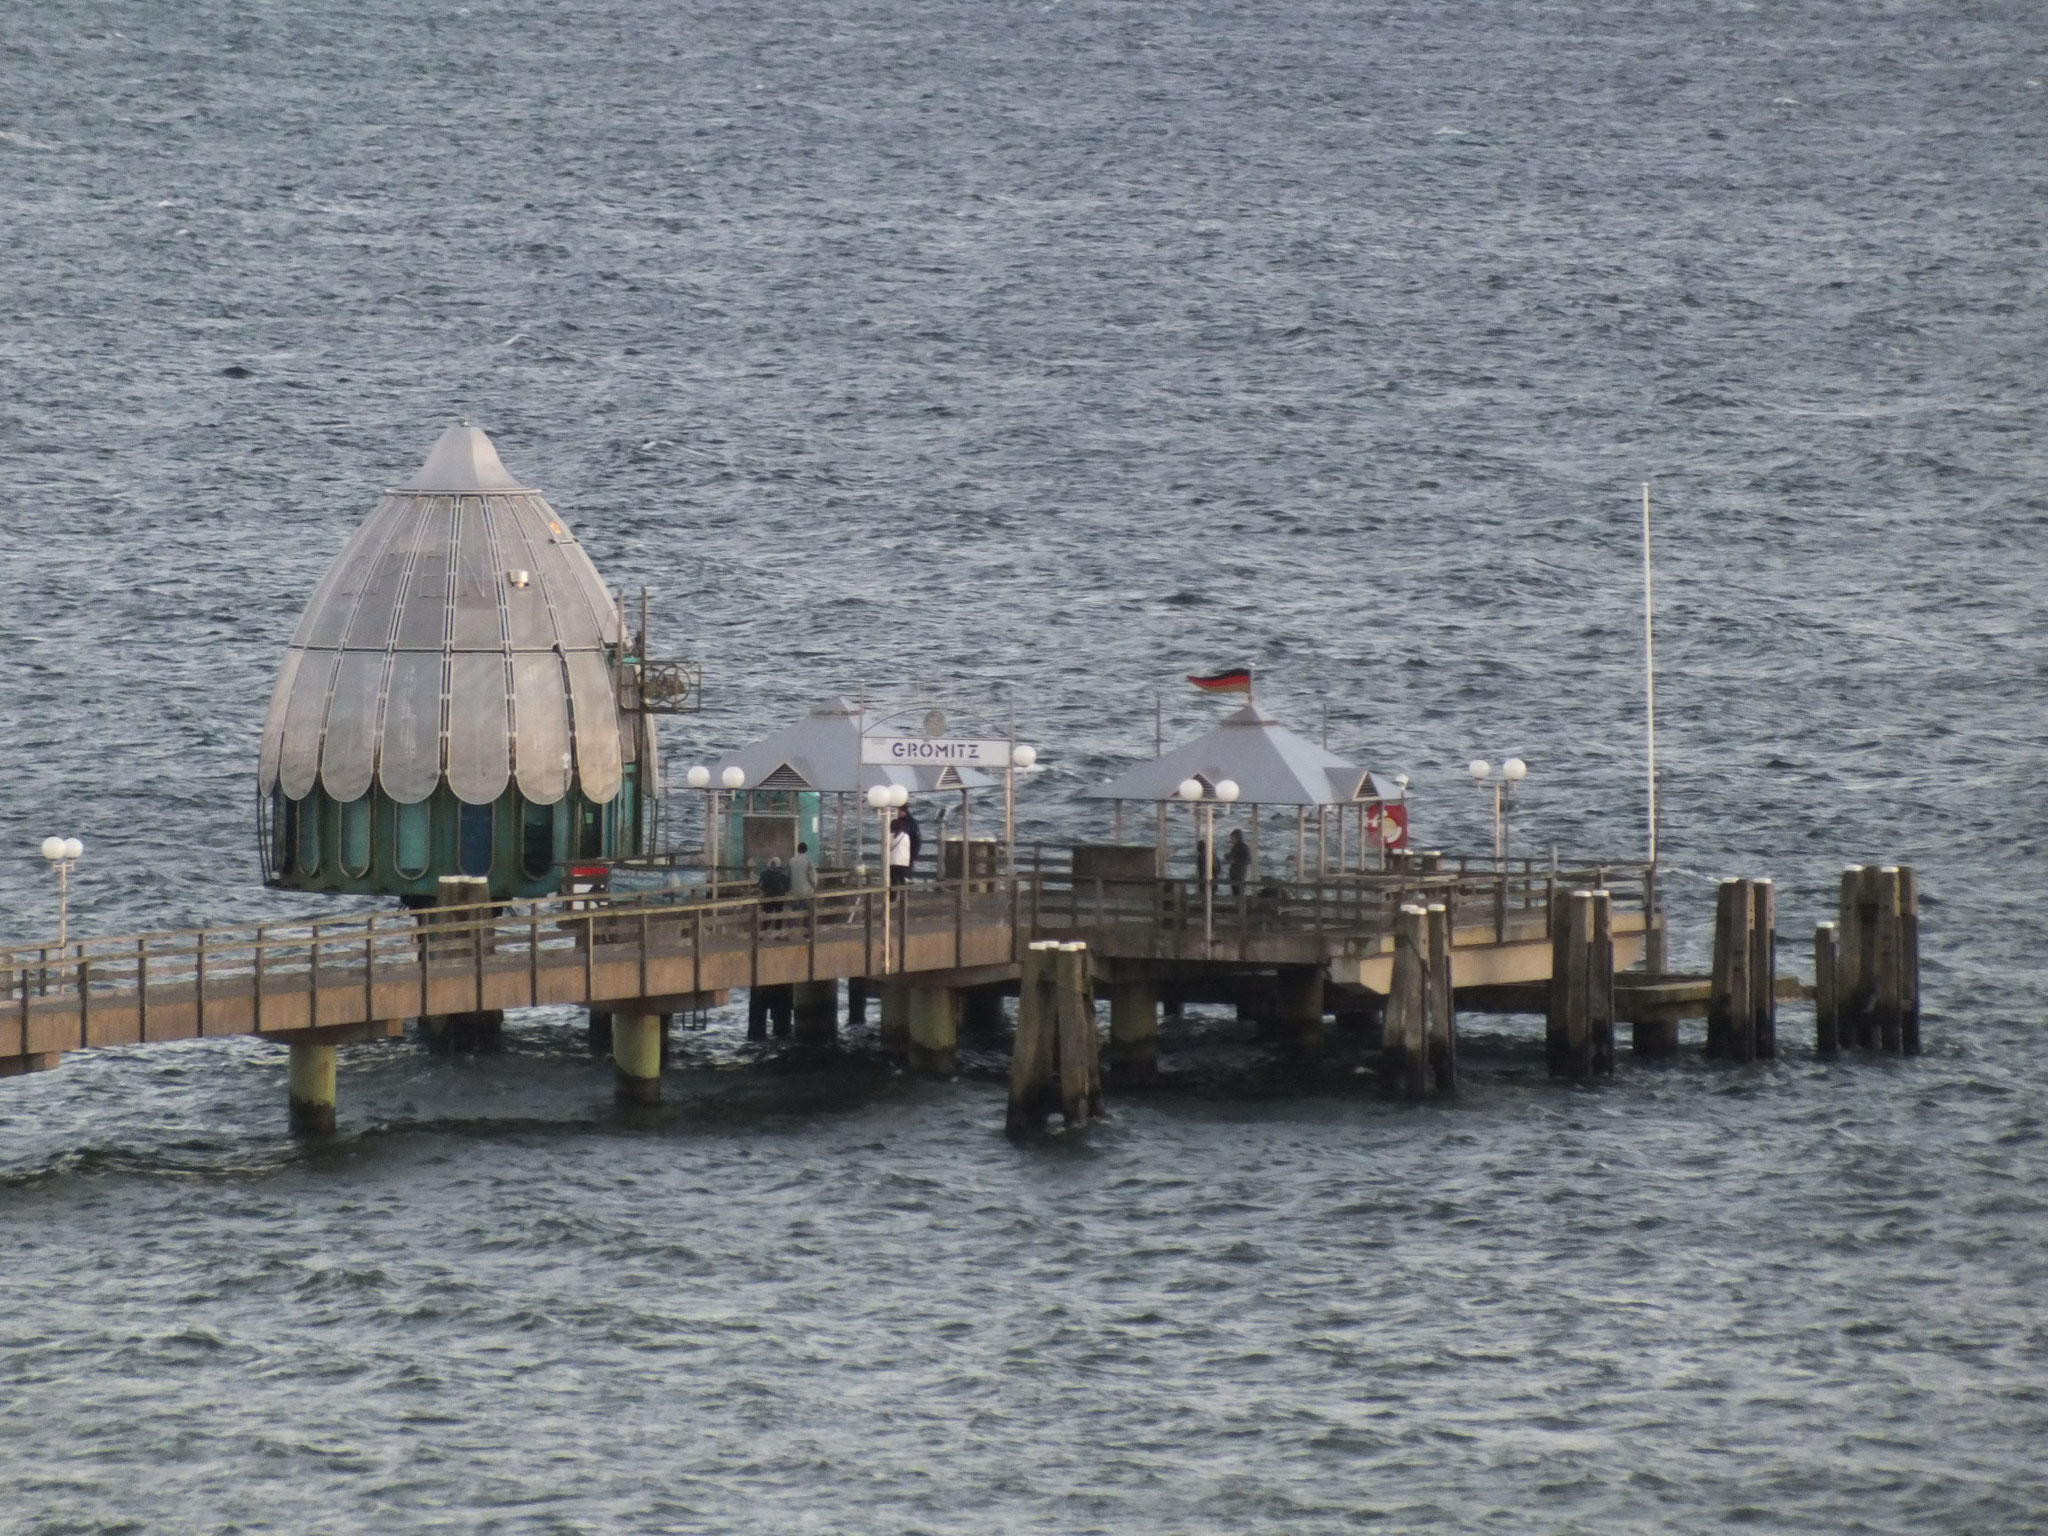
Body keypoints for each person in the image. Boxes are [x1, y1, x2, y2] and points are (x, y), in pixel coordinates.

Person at [888, 815, 913, 887]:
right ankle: (903, 896)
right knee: (902, 880)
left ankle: (893, 897)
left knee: (894, 880)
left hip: (894, 861)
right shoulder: (906, 836)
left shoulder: (889, 836)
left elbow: (887, 847)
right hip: (904, 861)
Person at [1226, 829, 1251, 897]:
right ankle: (1237, 906)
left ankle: (1239, 906)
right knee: (1235, 894)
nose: (1231, 840)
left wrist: (1235, 861)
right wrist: (1228, 857)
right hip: (1234, 874)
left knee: (1239, 894)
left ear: (1237, 837)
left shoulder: (1244, 847)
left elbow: (1248, 860)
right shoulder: (1235, 847)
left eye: (1232, 838)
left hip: (1240, 875)